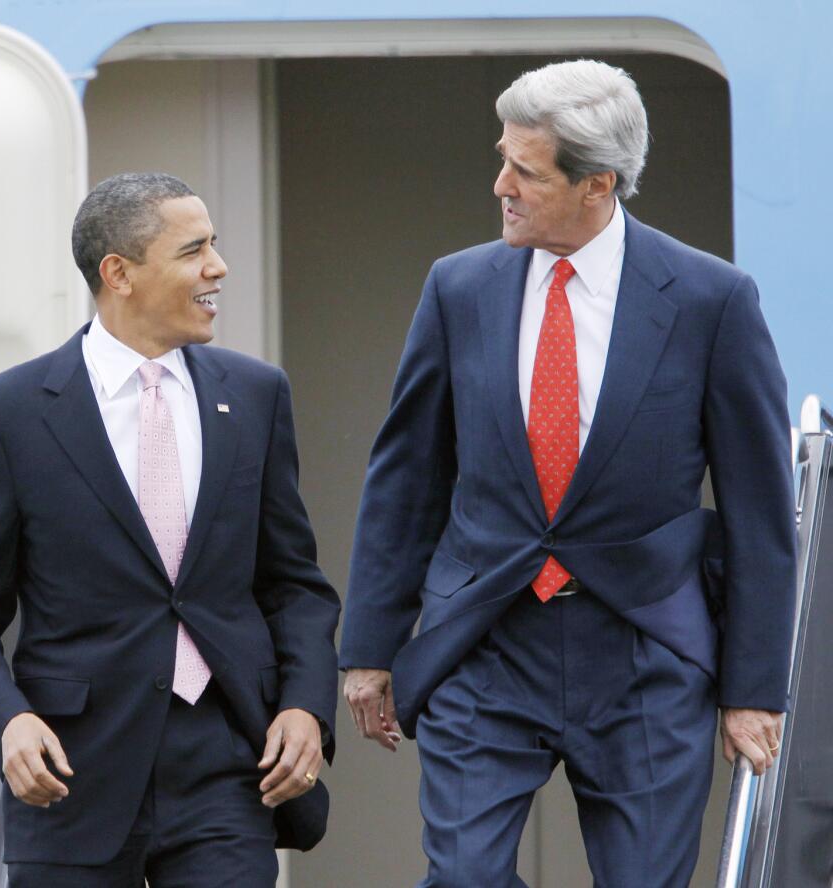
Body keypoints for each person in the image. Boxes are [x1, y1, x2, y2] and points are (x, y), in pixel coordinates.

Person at [340, 60, 794, 887]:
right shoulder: (459, 287)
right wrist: (369, 646)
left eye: (525, 169)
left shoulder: (709, 299)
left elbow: (761, 508)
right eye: (503, 157)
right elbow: (407, 476)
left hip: (645, 652)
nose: (499, 184)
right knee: (463, 877)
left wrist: (754, 687)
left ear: (598, 184)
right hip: (485, 640)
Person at [0, 172, 339, 887]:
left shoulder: (257, 394)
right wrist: (9, 721)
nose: (219, 268)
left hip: (225, 764)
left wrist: (306, 705)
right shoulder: (8, 413)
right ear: (119, 273)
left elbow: (294, 583)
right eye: (194, 250)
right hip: (73, 769)